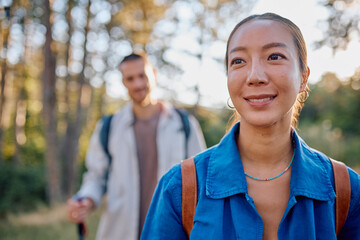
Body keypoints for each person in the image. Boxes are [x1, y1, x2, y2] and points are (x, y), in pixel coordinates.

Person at [141, 13, 360, 239]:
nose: (255, 76)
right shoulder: (180, 188)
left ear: (303, 77)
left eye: (274, 56)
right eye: (238, 61)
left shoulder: (346, 190)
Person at [67, 52, 206, 240]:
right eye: (130, 79)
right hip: (119, 232)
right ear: (124, 82)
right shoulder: (108, 127)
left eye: (142, 76)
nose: (138, 84)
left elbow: (201, 180)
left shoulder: (184, 124)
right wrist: (86, 201)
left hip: (171, 232)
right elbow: (96, 177)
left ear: (154, 74)